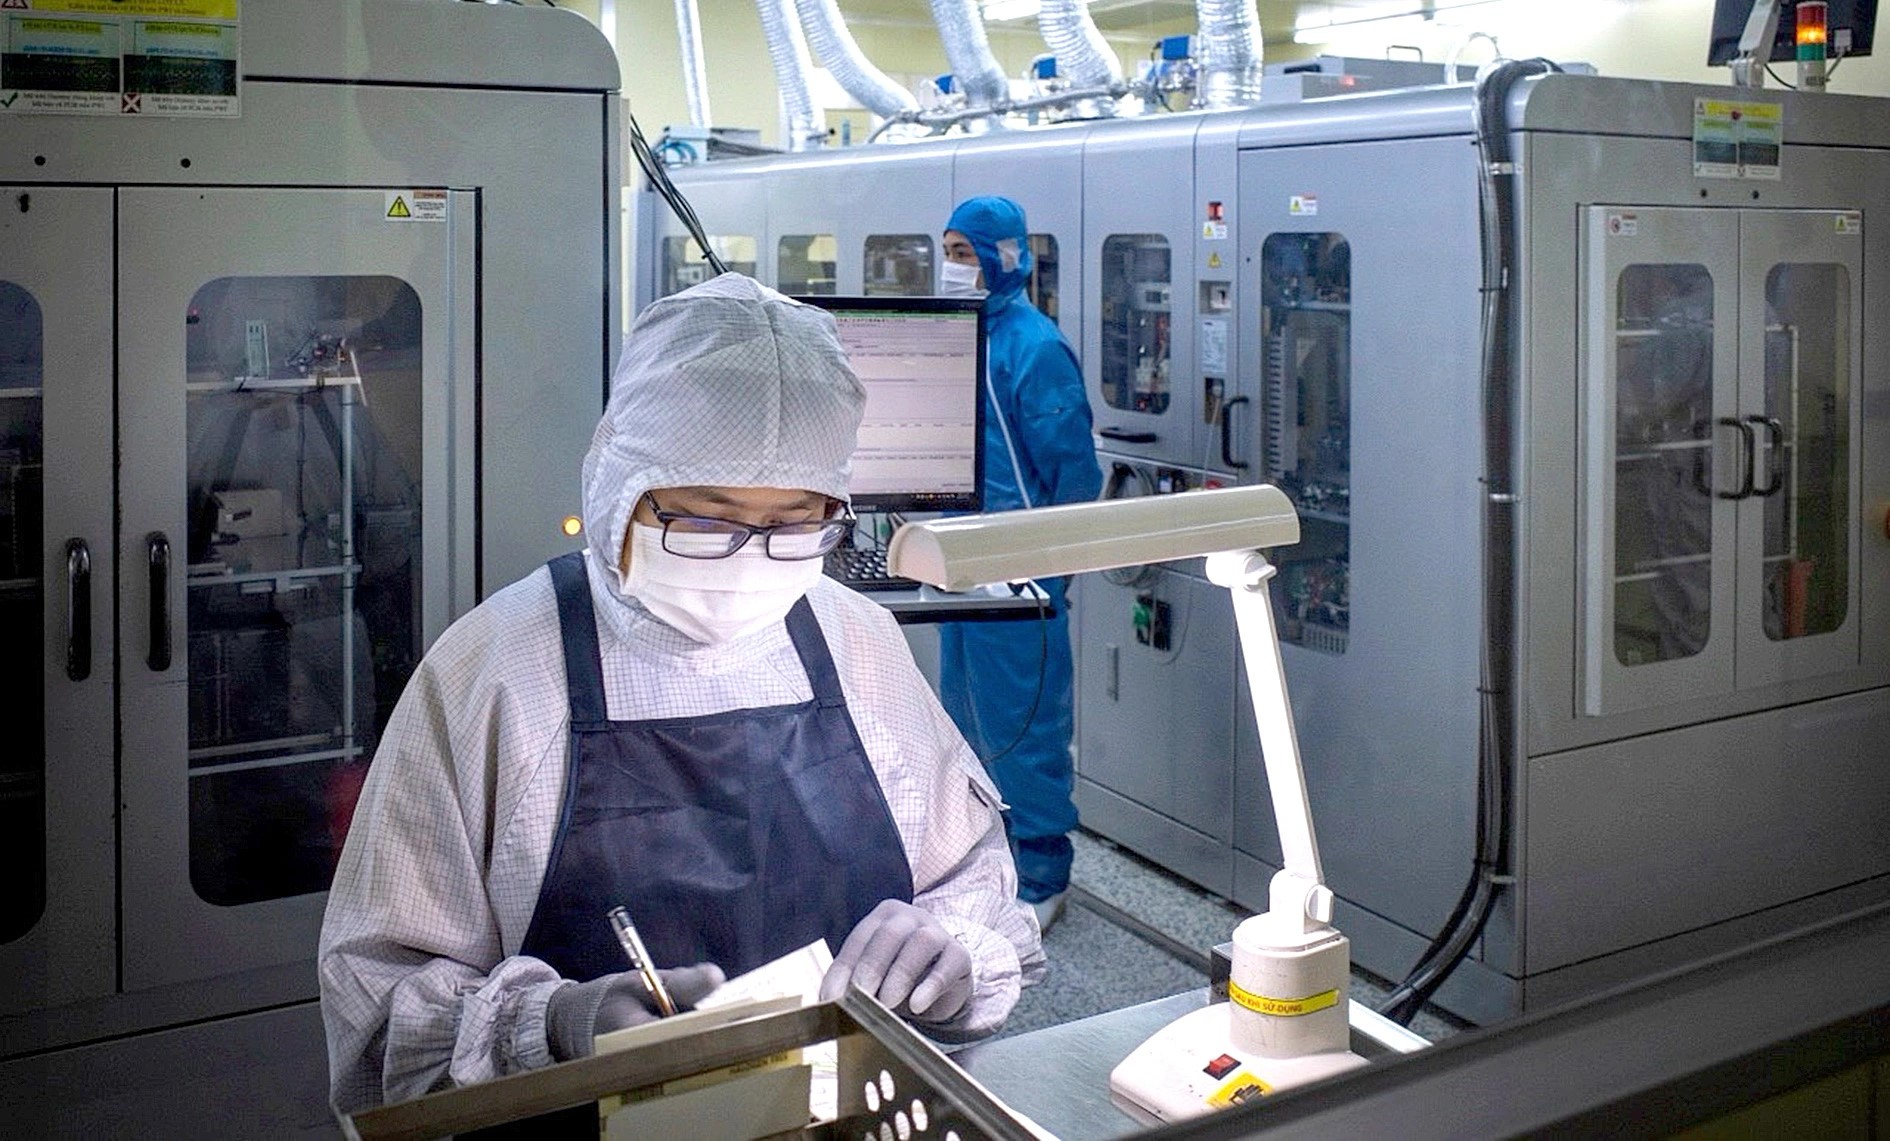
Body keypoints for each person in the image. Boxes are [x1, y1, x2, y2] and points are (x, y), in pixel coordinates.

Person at [318, 273, 1044, 1116]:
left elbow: (977, 887)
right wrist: (551, 1026)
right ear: (619, 485)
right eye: (705, 519)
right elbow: (376, 1009)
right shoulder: (495, 672)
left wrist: (948, 952)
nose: (749, 558)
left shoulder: (858, 642)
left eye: (795, 522)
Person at [935, 197, 1103, 933]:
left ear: (1005, 257)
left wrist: (1051, 560)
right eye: (946, 250)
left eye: (965, 252)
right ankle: (985, 859)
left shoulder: (1033, 347)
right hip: (960, 563)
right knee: (964, 720)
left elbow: (1073, 472)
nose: (953, 266)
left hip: (1020, 569)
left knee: (1025, 726)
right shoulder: (958, 336)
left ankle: (1041, 873)